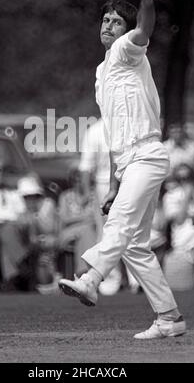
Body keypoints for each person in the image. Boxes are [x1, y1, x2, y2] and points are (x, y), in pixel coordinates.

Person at [59, 0, 186, 340]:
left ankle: (91, 278)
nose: (109, 25)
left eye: (116, 21)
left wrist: (147, 1)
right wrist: (114, 184)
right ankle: (169, 318)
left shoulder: (126, 50)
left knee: (119, 226)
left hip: (148, 155)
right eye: (106, 19)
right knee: (135, 246)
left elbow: (145, 28)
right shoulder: (102, 73)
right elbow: (115, 133)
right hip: (129, 162)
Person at [79, 118, 122, 295]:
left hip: (130, 182)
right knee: (107, 232)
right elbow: (86, 167)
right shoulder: (95, 131)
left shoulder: (127, 125)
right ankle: (109, 278)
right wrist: (86, 193)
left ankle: (136, 280)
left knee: (128, 232)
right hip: (104, 186)